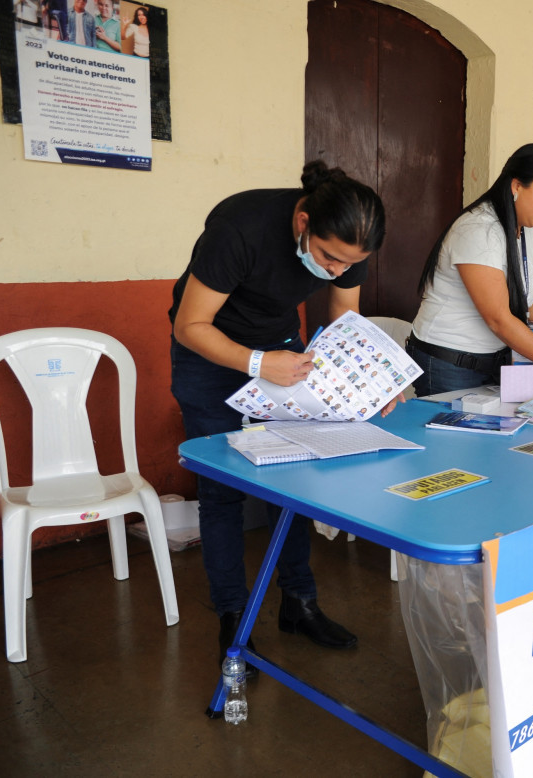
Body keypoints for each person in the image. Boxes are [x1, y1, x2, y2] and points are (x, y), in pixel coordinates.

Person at [169, 161, 387, 669]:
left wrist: (369, 382)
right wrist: (258, 363)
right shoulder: (240, 229)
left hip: (281, 348)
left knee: (292, 483)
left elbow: (344, 319)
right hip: (210, 351)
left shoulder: (349, 244)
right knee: (220, 489)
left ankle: (299, 602)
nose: (337, 271)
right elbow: (190, 324)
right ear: (303, 221)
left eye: (348, 265)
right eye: (329, 259)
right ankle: (232, 617)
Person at [409, 143, 533, 396]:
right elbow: (499, 319)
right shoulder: (480, 229)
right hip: (449, 364)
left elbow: (527, 301)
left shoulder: (527, 231)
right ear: (516, 187)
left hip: (492, 362)